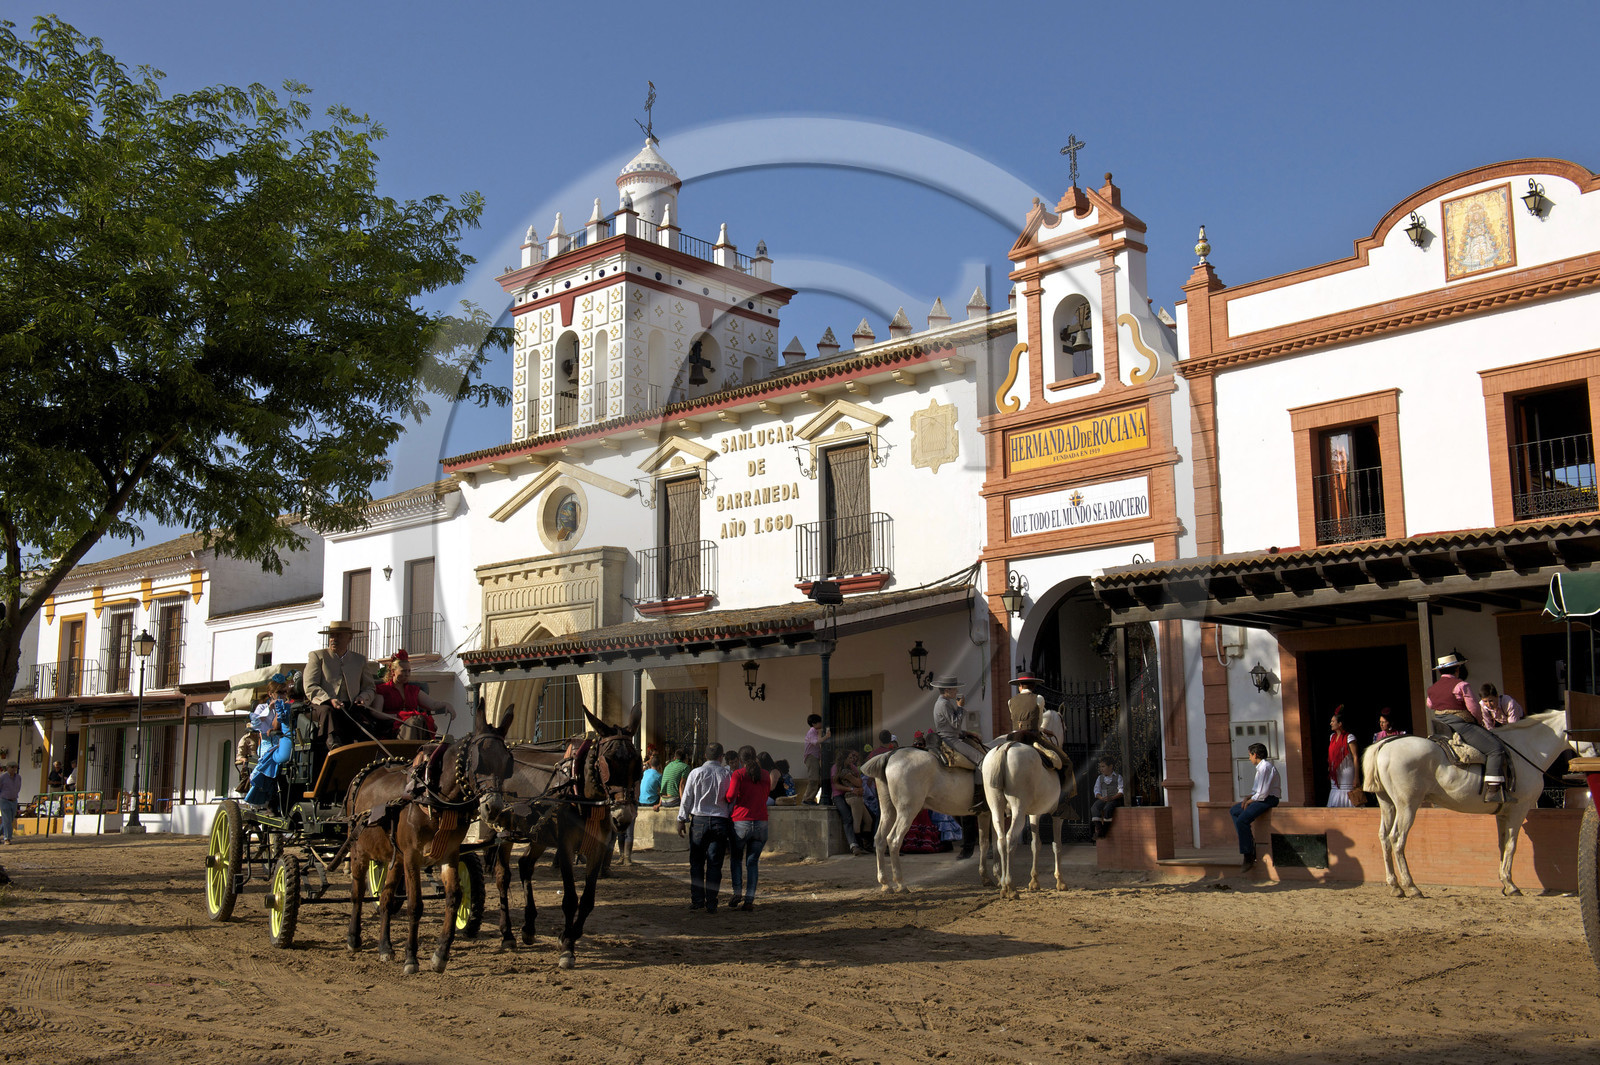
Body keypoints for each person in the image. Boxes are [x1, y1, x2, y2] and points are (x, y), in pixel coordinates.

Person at [304, 620, 394, 758]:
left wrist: (362, 697)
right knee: (328, 712)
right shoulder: (318, 656)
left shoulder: (359, 660)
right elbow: (310, 685)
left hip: (350, 705)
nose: (334, 639)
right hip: (321, 705)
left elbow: (369, 687)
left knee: (365, 723)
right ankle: (334, 745)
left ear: (349, 637)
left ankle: (371, 756)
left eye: (339, 635)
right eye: (332, 635)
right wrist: (329, 699)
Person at [1428, 653, 1507, 802]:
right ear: (1457, 669)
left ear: (1440, 672)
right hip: (1460, 725)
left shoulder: (1432, 689)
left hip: (1440, 726)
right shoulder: (1461, 685)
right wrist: (1478, 723)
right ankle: (1493, 790)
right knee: (1495, 748)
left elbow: (1430, 705)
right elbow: (1474, 709)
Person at [930, 673, 985, 860]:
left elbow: (954, 726)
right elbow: (954, 723)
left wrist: (968, 732)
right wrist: (961, 709)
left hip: (954, 736)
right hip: (950, 740)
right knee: (981, 760)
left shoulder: (946, 703)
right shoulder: (944, 704)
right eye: (954, 689)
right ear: (947, 691)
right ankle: (978, 793)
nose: (957, 692)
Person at [677, 743, 733, 913]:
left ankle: (697, 899)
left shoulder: (696, 773)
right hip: (720, 820)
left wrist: (681, 818)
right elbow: (732, 798)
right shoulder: (726, 774)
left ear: (704, 755)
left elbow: (687, 797)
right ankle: (712, 901)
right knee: (715, 863)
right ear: (721, 757)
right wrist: (727, 815)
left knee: (696, 862)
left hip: (699, 820)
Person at [374, 649, 456, 739]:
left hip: (414, 725)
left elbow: (433, 704)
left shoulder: (413, 690)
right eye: (404, 671)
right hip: (391, 728)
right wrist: (396, 716)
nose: (407, 674)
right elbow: (376, 712)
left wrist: (446, 704)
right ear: (393, 671)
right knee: (414, 722)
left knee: (419, 721)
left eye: (409, 671)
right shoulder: (383, 689)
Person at [724, 745, 769, 911]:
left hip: (741, 820)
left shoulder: (738, 774)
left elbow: (730, 796)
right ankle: (749, 898)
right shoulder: (764, 774)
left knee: (736, 858)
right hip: (761, 821)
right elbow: (765, 795)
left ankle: (737, 891)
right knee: (753, 862)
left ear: (740, 760)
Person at [243, 675, 296, 811]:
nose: (283, 695)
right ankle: (268, 798)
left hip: (283, 743)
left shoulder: (289, 706)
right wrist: (270, 710)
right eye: (279, 692)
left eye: (284, 692)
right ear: (270, 694)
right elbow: (257, 724)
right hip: (268, 745)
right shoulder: (262, 708)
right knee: (273, 763)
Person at [1230, 743, 1280, 873]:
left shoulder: (1265, 768)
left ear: (1255, 755)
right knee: (1234, 811)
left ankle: (1248, 854)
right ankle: (1247, 839)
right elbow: (1258, 791)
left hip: (1268, 800)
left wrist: (1250, 801)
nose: (1249, 758)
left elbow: (1263, 793)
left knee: (1242, 820)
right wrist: (1248, 797)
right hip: (1261, 798)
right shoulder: (1260, 768)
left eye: (1250, 755)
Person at [830, 749, 869, 856]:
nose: (853, 759)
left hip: (852, 795)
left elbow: (859, 781)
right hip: (839, 795)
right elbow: (836, 785)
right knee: (847, 818)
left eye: (855, 757)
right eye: (851, 757)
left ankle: (861, 844)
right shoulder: (836, 768)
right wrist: (852, 789)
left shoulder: (852, 768)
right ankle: (854, 844)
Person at [1326, 709, 1360, 807]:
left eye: (1333, 721)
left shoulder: (1349, 737)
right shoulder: (1332, 737)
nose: (1331, 723)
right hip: (1335, 772)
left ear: (1340, 723)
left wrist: (1356, 777)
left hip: (1347, 771)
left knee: (1346, 792)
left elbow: (1356, 757)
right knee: (1335, 791)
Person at [1089, 758, 1124, 839]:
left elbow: (1121, 792)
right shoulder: (1100, 778)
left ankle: (1105, 829)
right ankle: (1099, 829)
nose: (1101, 769)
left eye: (1103, 766)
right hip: (1103, 798)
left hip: (1114, 799)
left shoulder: (1118, 777)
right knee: (1094, 807)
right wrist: (1101, 797)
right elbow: (1096, 791)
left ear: (1110, 766)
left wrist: (1112, 797)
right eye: (1100, 767)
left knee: (1107, 808)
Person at [802, 713, 830, 804]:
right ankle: (807, 798)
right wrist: (826, 736)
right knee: (814, 778)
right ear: (814, 723)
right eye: (820, 722)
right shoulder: (812, 731)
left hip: (814, 757)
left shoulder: (814, 731)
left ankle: (810, 798)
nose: (821, 724)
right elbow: (816, 742)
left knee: (817, 778)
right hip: (811, 757)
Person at [0, 763, 19, 844]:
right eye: (12, 767)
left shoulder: (18, 777)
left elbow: (18, 787)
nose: (13, 769)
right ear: (7, 768)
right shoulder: (3, 777)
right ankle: (7, 838)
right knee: (7, 819)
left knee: (9, 819)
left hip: (14, 800)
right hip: (4, 800)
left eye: (15, 767)